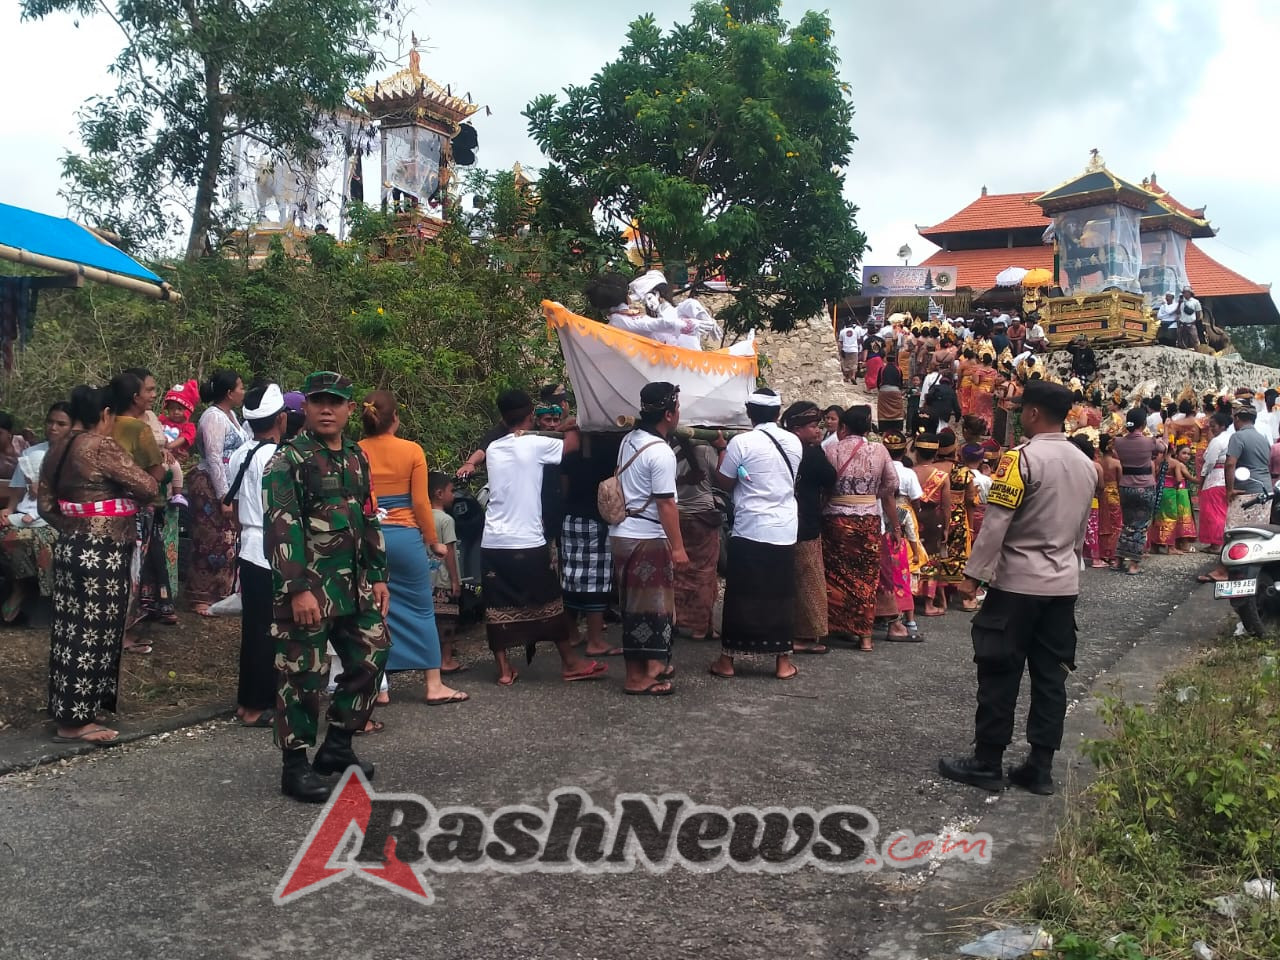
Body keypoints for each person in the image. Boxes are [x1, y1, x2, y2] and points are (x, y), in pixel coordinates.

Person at [938, 380, 1094, 795]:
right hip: (1062, 585)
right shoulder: (1085, 464)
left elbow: (996, 523)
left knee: (999, 671)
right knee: (1050, 678)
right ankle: (1039, 768)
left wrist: (973, 576)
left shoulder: (1018, 460)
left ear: (1033, 414)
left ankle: (988, 761)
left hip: (1017, 585)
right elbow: (1079, 534)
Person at [263, 371, 391, 803]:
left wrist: (377, 575)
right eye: (318, 401)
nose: (326, 409)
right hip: (309, 590)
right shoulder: (288, 460)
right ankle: (295, 765)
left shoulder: (356, 457)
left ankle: (337, 745)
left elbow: (368, 516)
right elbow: (282, 527)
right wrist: (296, 588)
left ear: (350, 409)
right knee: (301, 675)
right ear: (306, 408)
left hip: (353, 588)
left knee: (373, 654)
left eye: (335, 402)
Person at [38, 385, 159, 745]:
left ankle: (68, 709)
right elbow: (148, 485)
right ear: (105, 414)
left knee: (67, 631)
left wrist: (74, 526)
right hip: (102, 553)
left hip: (70, 547)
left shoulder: (56, 448)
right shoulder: (98, 445)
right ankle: (77, 722)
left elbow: (46, 506)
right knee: (94, 632)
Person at [480, 389, 605, 687]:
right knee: (549, 603)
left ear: (502, 417)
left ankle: (504, 670)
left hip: (493, 541)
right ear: (529, 417)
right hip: (527, 540)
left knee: (496, 605)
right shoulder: (535, 444)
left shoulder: (495, 447)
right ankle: (571, 663)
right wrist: (572, 420)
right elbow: (572, 445)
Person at [358, 390, 467, 706]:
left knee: (374, 611)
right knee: (421, 610)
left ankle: (380, 688)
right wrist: (434, 541)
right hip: (405, 536)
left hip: (369, 536)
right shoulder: (411, 451)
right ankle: (433, 684)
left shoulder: (355, 450)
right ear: (395, 419)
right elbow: (420, 502)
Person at [711, 388, 803, 678]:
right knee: (780, 594)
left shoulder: (741, 442)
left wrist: (722, 450)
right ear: (778, 413)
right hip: (784, 529)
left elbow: (725, 482)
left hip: (750, 527)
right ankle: (782, 663)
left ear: (749, 412)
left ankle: (727, 661)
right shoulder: (794, 442)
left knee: (742, 593)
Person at [609, 382, 689, 695]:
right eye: (678, 408)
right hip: (646, 538)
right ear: (669, 414)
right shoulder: (660, 453)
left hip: (623, 534)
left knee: (639, 606)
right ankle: (636, 678)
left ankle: (655, 665)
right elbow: (666, 503)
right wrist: (679, 547)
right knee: (646, 609)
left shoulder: (630, 439)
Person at [226, 384, 288, 728]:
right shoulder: (278, 457)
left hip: (248, 546)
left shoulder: (241, 453)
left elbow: (233, 505)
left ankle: (245, 701)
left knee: (254, 629)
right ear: (281, 418)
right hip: (272, 549)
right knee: (269, 631)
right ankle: (256, 705)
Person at [822, 406, 899, 651]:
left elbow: (824, 485)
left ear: (843, 427)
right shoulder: (879, 450)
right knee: (866, 577)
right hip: (868, 520)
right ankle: (865, 636)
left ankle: (836, 626)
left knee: (836, 574)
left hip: (835, 520)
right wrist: (871, 495)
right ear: (867, 428)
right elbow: (892, 483)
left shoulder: (830, 449)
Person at [108, 371, 170, 653]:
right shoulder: (137, 428)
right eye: (148, 391)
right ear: (134, 397)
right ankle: (122, 635)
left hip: (101, 509)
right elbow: (155, 471)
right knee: (130, 571)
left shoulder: (103, 423)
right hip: (132, 509)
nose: (152, 396)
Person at [1, 403, 73, 621]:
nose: (53, 428)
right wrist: (8, 509)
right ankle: (20, 586)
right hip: (25, 515)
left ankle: (46, 599)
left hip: (57, 519)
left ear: (72, 427)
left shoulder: (75, 456)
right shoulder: (33, 453)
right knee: (7, 534)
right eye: (50, 422)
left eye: (61, 424)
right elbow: (17, 488)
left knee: (40, 540)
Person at [188, 369, 247, 615]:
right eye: (240, 387)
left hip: (228, 484)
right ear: (229, 392)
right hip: (211, 484)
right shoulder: (213, 417)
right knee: (208, 539)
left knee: (225, 540)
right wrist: (224, 495)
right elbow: (214, 457)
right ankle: (200, 595)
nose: (243, 391)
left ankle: (221, 591)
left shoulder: (231, 415)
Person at [560, 429, 624, 657]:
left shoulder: (569, 456)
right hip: (597, 521)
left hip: (570, 520)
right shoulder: (610, 453)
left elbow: (564, 489)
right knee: (596, 581)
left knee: (571, 577)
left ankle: (572, 633)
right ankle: (595, 641)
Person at [783, 402, 837, 654]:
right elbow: (830, 478)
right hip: (805, 523)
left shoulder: (779, 449)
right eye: (814, 426)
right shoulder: (811, 454)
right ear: (797, 429)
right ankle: (806, 634)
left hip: (780, 523)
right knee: (808, 579)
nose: (818, 431)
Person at [920, 432, 979, 612]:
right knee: (957, 556)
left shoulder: (932, 469)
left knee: (934, 554)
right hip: (958, 518)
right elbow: (971, 501)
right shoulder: (963, 472)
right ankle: (966, 599)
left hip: (934, 516)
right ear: (954, 448)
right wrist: (970, 527)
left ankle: (936, 595)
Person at [672, 429, 721, 643]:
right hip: (702, 515)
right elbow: (720, 478)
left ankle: (676, 620)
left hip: (676, 515)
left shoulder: (667, 448)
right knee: (704, 572)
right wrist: (723, 448)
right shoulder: (705, 449)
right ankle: (700, 628)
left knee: (677, 573)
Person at [1113, 409, 1165, 575]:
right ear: (1143, 424)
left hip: (1125, 486)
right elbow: (1164, 447)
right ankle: (1134, 564)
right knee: (1141, 525)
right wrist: (1166, 430)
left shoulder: (1118, 442)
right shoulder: (1149, 442)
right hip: (1145, 487)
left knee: (1127, 523)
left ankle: (1118, 560)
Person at [426, 472, 465, 674]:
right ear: (439, 493)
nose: (454, 495)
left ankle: (430, 658)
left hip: (425, 581)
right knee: (448, 621)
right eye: (451, 490)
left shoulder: (420, 517)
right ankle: (446, 659)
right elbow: (449, 552)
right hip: (443, 580)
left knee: (431, 621)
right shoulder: (446, 520)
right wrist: (455, 580)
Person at [1223, 401, 1272, 529]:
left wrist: (1229, 490)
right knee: (1258, 531)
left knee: (1235, 531)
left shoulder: (1237, 437)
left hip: (1245, 492)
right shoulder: (1263, 439)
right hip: (1265, 491)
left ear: (1237, 418)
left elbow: (1230, 464)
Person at [1196, 412, 1233, 576]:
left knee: (1213, 512)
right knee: (1221, 511)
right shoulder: (1232, 438)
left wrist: (1202, 479)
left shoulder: (1217, 441)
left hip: (1215, 478)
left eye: (1214, 426)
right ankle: (1218, 542)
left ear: (1222, 426)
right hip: (1226, 479)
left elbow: (1209, 462)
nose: (1211, 429)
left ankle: (1216, 543)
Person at [1148, 441, 1196, 554]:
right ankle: (1171, 547)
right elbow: (1179, 479)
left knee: (1158, 517)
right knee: (1171, 517)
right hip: (1170, 492)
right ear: (1173, 450)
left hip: (1159, 490)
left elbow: (1153, 477)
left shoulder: (1155, 462)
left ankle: (1155, 546)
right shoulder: (1175, 463)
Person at [1097, 435, 1123, 568]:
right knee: (1115, 524)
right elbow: (1120, 482)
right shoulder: (1116, 463)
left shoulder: (1097, 462)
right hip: (1114, 495)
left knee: (1102, 523)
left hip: (1101, 494)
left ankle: (1102, 553)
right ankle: (1112, 554)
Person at [876, 358, 906, 433]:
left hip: (884, 391)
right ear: (895, 360)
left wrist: (880, 389)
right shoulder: (898, 369)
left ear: (886, 360)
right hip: (896, 391)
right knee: (898, 410)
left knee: (883, 410)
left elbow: (878, 381)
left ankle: (883, 429)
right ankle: (897, 428)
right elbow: (901, 382)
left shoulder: (882, 368)